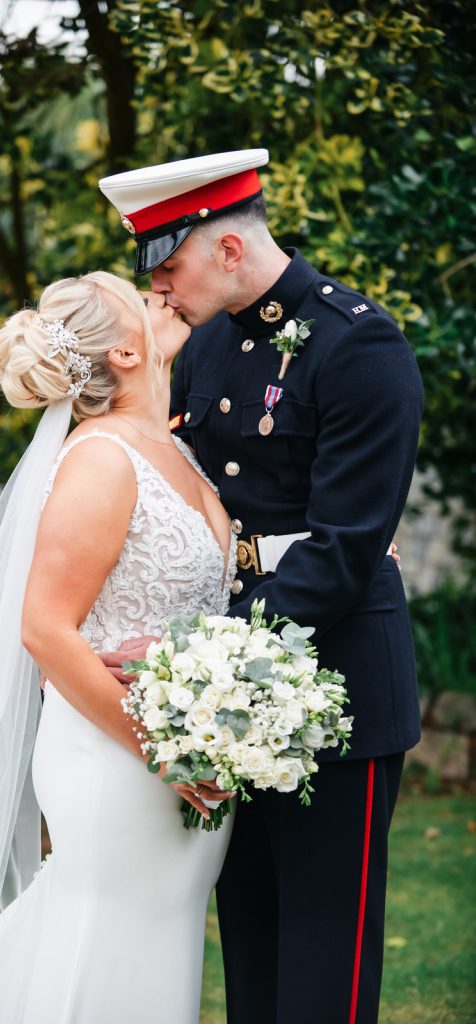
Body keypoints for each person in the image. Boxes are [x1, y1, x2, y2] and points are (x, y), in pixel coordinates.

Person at [0, 271, 236, 1024]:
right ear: (127, 351)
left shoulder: (175, 451)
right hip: (117, 756)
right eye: (141, 296)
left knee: (155, 940)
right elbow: (44, 628)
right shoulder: (100, 459)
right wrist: (162, 749)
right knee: (102, 939)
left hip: (187, 755)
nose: (160, 294)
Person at [99, 150, 424, 1024]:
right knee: (250, 953)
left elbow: (344, 548)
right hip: (225, 694)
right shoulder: (203, 346)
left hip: (336, 686)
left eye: (169, 265)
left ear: (229, 250)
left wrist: (200, 660)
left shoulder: (360, 342)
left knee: (324, 966)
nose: (160, 289)